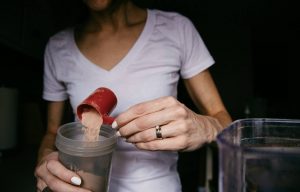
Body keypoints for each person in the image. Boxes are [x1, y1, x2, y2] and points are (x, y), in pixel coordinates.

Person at [34, 0, 232, 191]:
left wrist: (207, 128)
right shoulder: (58, 48)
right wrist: (45, 159)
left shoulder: (177, 28)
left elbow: (222, 118)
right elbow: (52, 132)